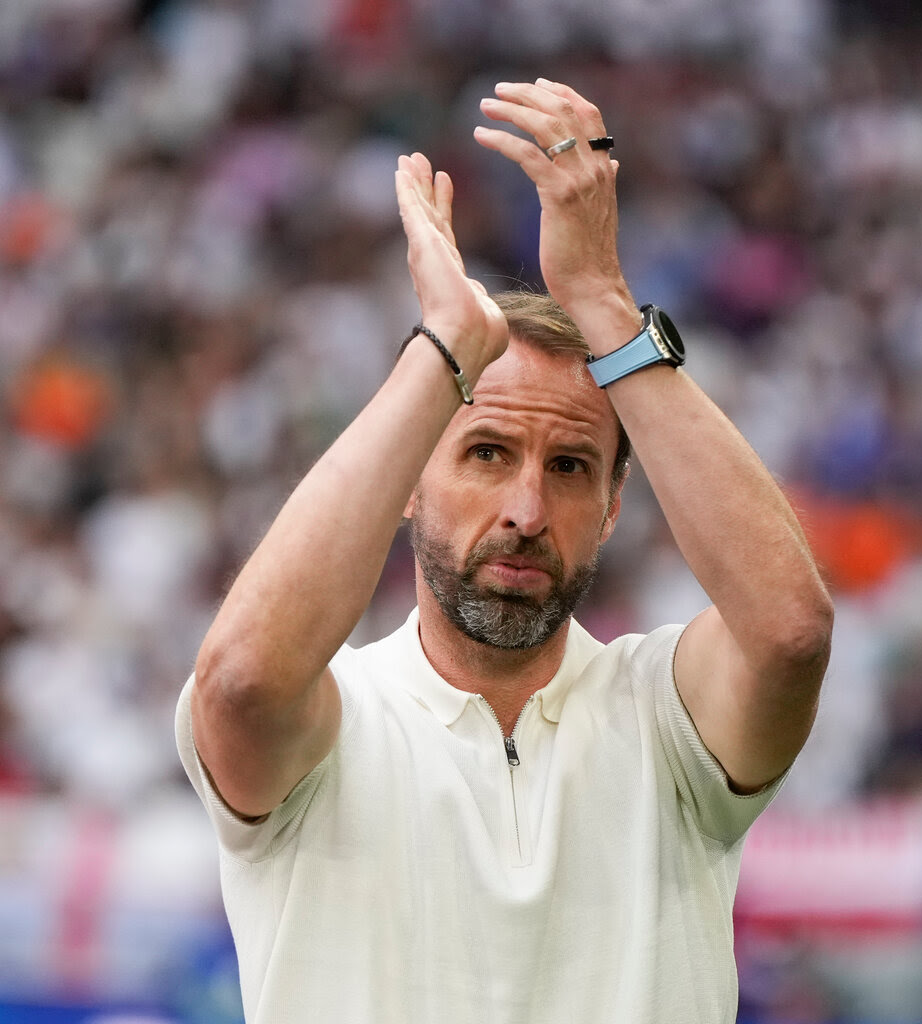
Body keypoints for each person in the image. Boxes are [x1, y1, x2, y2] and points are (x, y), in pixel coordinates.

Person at [176, 79, 833, 1023]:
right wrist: (442, 350)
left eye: (570, 467)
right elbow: (237, 682)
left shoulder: (667, 718)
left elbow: (791, 634)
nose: (527, 508)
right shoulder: (333, 718)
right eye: (486, 453)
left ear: (612, 510)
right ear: (407, 477)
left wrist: (605, 301)